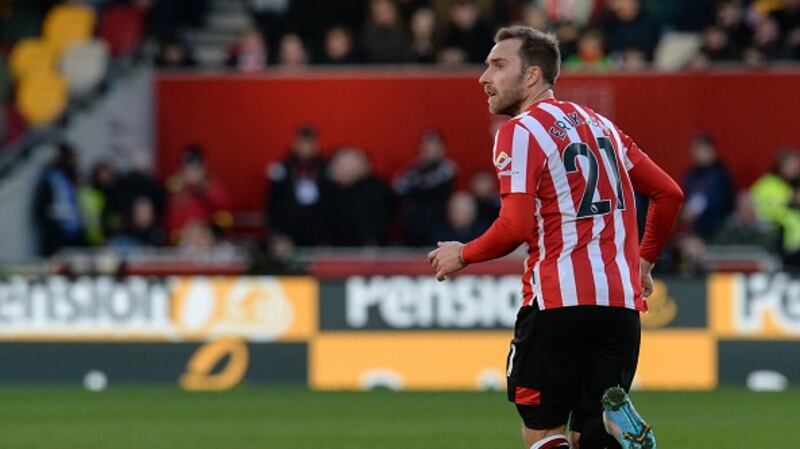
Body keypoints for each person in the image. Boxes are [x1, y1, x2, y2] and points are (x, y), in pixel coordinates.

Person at [427, 26, 683, 449]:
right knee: (590, 432)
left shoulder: (520, 131)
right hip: (619, 307)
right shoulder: (604, 128)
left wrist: (463, 254)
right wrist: (642, 263)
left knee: (543, 433)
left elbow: (515, 227)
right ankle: (614, 433)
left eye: (497, 65)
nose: (483, 78)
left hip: (557, 303)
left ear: (531, 76)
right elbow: (669, 193)